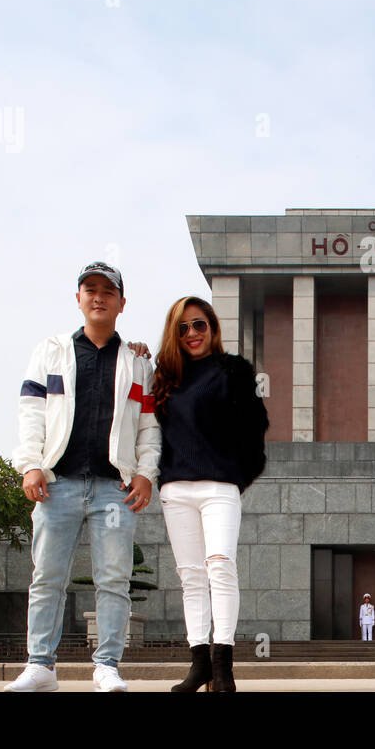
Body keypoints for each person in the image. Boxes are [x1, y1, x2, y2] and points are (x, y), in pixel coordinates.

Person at [4, 262, 160, 693]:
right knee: (47, 577)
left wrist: (146, 473)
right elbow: (31, 412)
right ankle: (41, 666)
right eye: (89, 289)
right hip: (58, 485)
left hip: (115, 488)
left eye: (107, 291)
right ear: (78, 298)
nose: (98, 297)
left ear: (121, 303)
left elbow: (148, 424)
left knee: (114, 579)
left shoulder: (137, 361)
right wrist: (30, 464)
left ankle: (107, 665)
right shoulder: (50, 351)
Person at [146, 296, 268, 692]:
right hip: (175, 488)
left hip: (219, 487)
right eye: (182, 328)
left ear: (212, 327)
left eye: (198, 325)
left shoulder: (232, 371)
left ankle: (223, 668)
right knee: (192, 577)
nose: (191, 334)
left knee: (220, 566)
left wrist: (236, 477)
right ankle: (199, 665)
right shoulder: (165, 376)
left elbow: (254, 429)